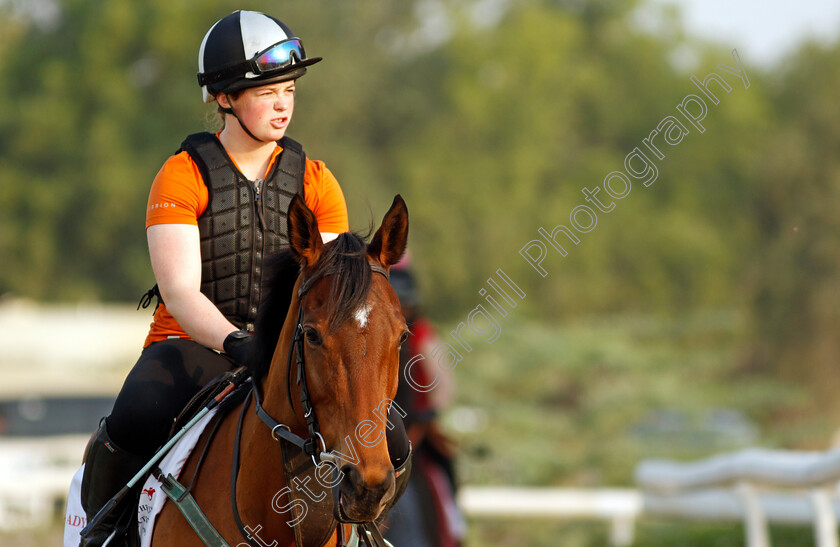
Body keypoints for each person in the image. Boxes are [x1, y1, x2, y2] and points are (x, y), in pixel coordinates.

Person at [78, 10, 410, 545]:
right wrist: (238, 342)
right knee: (137, 408)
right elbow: (181, 291)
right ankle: (103, 531)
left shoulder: (318, 181)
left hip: (292, 350)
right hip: (192, 345)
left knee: (389, 434)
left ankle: (363, 527)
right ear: (225, 98)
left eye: (289, 90)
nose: (283, 104)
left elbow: (334, 299)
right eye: (266, 92)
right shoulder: (182, 175)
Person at [383, 255, 465, 547]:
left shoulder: (421, 335)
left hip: (411, 437)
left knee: (442, 478)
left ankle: (451, 531)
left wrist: (424, 420)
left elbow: (442, 389)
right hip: (371, 439)